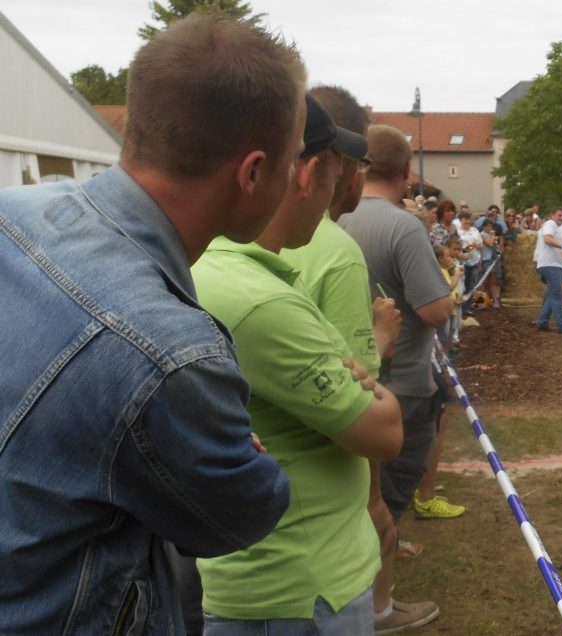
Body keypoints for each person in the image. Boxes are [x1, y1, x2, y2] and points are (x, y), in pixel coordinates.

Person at [0, 16, 300, 633]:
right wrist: (225, 440)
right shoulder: (170, 355)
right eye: (294, 160)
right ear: (252, 173)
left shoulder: (12, 213)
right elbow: (238, 513)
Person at [191, 94, 410, 633]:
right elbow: (383, 431)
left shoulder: (217, 265)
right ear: (309, 173)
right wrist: (371, 382)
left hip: (270, 572)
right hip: (302, 589)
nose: (336, 200)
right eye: (337, 177)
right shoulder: (263, 303)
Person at [338, 124, 453, 629]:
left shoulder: (331, 218)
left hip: (347, 379)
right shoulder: (403, 226)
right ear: (407, 174)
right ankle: (374, 605)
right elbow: (433, 310)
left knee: (362, 495)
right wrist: (448, 290)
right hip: (400, 381)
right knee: (384, 503)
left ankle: (368, 594)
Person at [535, 207, 562, 333]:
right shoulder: (550, 224)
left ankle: (543, 322)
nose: (561, 217)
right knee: (557, 296)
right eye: (559, 215)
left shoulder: (558, 228)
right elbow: (547, 239)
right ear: (552, 215)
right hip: (551, 265)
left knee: (551, 295)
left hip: (551, 265)